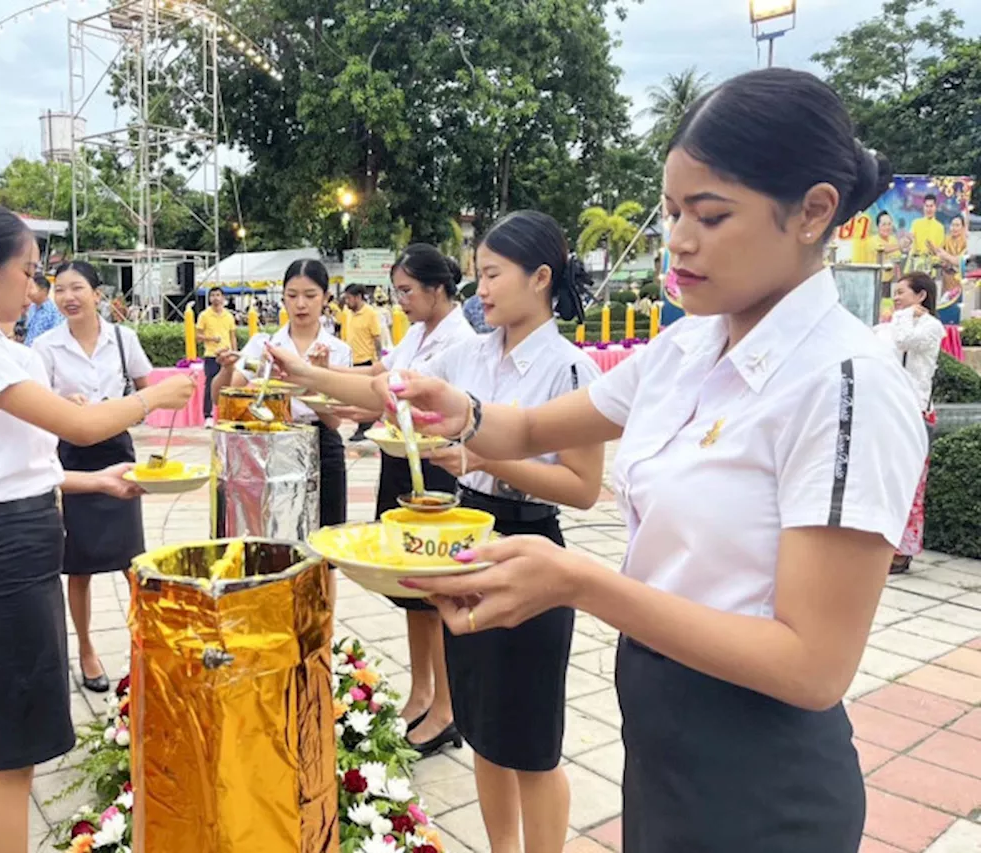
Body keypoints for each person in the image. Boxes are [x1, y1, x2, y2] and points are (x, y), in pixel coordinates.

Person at [386, 69, 925, 853]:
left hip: (759, 773)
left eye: (710, 215)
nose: (677, 238)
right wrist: (458, 408)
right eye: (673, 211)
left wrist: (579, 581)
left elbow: (813, 665)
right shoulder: (689, 345)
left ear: (812, 212)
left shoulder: (844, 384)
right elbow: (533, 424)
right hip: (660, 731)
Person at [270, 214, 604, 852]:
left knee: (531, 741)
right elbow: (382, 391)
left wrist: (480, 456)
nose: (480, 288)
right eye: (478, 274)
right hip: (465, 543)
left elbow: (584, 488)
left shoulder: (569, 370)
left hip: (530, 546)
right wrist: (307, 376)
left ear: (540, 279)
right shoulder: (470, 354)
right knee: (484, 728)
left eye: (491, 274)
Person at [0, 203, 197, 852]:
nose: (40, 288)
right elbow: (82, 430)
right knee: (10, 760)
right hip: (0, 555)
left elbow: (26, 467)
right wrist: (154, 395)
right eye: (30, 272)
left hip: (19, 542)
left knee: (22, 746)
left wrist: (97, 481)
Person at [310, 245, 478, 754]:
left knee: (437, 589)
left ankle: (448, 708)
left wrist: (324, 382)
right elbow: (377, 376)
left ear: (437, 289)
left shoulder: (459, 342)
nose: (400, 300)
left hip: (435, 472)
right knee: (410, 589)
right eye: (398, 291)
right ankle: (422, 690)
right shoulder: (416, 334)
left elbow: (402, 395)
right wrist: (319, 381)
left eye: (407, 291)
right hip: (401, 462)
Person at [34, 261, 154, 693]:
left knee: (132, 561)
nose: (68, 297)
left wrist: (118, 405)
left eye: (77, 288)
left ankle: (145, 642)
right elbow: (36, 403)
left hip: (117, 451)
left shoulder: (124, 339)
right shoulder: (45, 346)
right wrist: (62, 403)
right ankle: (85, 649)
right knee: (78, 566)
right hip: (70, 455)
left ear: (97, 294)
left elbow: (146, 390)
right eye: (60, 289)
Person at [211, 259, 352, 527]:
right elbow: (222, 397)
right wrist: (226, 370)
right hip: (273, 444)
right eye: (292, 295)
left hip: (322, 444)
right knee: (279, 533)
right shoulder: (264, 344)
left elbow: (334, 421)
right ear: (283, 297)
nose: (301, 304)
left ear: (325, 298)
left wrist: (306, 381)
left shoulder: (336, 350)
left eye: (310, 295)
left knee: (327, 537)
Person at [875, 272, 945, 575]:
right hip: (891, 409)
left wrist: (901, 317)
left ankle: (903, 552)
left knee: (911, 485)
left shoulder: (932, 327)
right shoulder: (897, 323)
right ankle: (883, 546)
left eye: (902, 292)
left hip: (915, 412)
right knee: (887, 481)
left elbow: (904, 341)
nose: (897, 298)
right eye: (895, 293)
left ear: (921, 296)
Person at [342, 283, 384, 442]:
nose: (346, 301)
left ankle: (364, 428)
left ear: (358, 297)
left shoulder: (370, 314)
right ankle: (364, 425)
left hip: (366, 360)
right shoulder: (349, 313)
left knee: (364, 399)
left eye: (349, 298)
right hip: (353, 360)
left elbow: (377, 338)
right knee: (356, 398)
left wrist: (379, 359)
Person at [196, 287, 237, 426]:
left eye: (218, 295)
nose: (215, 298)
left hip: (227, 355)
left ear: (223, 298)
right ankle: (208, 415)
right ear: (209, 298)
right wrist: (211, 338)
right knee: (210, 384)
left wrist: (235, 353)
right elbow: (197, 336)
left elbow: (233, 336)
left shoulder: (229, 316)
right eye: (212, 295)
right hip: (211, 355)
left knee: (229, 385)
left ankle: (228, 413)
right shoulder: (204, 315)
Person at [24, 270, 63, 345]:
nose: (28, 292)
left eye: (31, 288)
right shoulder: (32, 308)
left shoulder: (54, 312)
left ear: (43, 291)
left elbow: (56, 336)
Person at [871, 210, 903, 287]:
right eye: (884, 224)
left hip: (892, 282)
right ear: (878, 226)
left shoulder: (893, 239)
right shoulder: (873, 240)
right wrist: (900, 245)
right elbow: (884, 249)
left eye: (889, 224)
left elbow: (897, 263)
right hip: (877, 282)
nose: (887, 227)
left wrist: (900, 282)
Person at [911, 193, 945, 263]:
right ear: (923, 207)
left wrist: (932, 248)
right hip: (917, 262)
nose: (929, 209)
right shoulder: (916, 223)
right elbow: (912, 244)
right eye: (927, 206)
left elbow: (940, 251)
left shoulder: (940, 227)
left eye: (931, 206)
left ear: (936, 207)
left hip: (933, 263)